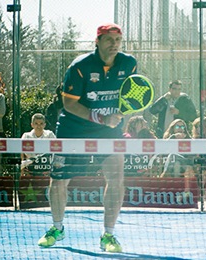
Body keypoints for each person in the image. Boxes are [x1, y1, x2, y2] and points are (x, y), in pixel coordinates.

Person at [37, 23, 137, 253]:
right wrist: (100, 118)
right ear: (98, 41)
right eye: (109, 39)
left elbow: (131, 94)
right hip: (74, 128)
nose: (114, 44)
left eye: (118, 40)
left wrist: (119, 115)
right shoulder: (80, 67)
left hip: (109, 131)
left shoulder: (128, 63)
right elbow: (69, 103)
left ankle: (108, 235)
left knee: (116, 177)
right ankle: (57, 228)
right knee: (59, 180)